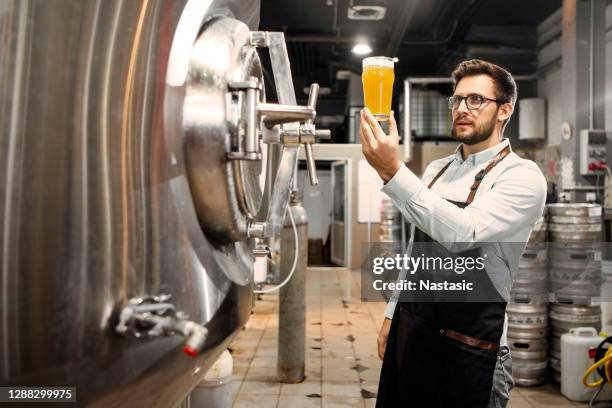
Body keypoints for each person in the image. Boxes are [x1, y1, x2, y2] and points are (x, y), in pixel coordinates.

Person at [359, 59, 547, 408]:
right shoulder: (437, 169)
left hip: (473, 347)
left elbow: (463, 233)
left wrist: (391, 170)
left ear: (505, 110)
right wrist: (392, 315)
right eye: (457, 100)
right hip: (417, 332)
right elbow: (418, 251)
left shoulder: (522, 176)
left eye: (475, 100)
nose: (462, 108)